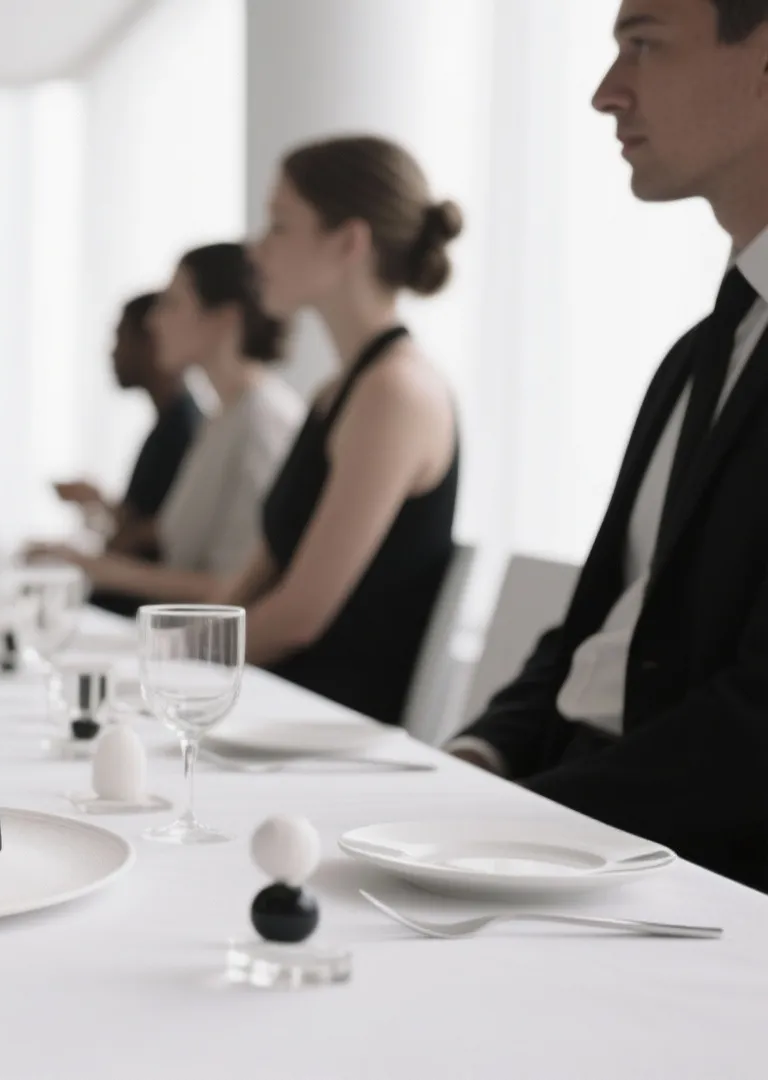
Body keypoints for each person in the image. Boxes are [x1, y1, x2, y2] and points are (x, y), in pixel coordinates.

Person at [450, 0, 768, 891]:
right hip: (591, 829)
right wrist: (477, 753)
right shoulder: (702, 352)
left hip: (700, 889)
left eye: (644, 44)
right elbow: (605, 624)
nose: (605, 93)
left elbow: (755, 727)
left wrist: (516, 825)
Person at [216, 135, 463, 726]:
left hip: (328, 731)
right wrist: (162, 655)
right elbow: (255, 579)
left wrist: (164, 666)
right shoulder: (341, 389)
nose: (257, 249)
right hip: (277, 711)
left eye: (279, 225)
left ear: (349, 242)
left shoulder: (395, 394)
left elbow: (300, 615)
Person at [31, 243, 303, 603]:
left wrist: (92, 566)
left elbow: (237, 587)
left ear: (224, 319)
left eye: (172, 302)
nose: (152, 320)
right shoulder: (223, 416)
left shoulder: (263, 422)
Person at [51, 293, 204, 614]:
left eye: (120, 337)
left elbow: (154, 538)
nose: (112, 352)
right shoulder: (166, 424)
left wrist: (81, 555)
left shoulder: (184, 429)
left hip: (142, 609)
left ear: (150, 344)